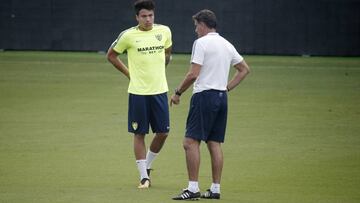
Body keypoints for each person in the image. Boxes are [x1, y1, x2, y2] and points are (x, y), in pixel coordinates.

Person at [170, 9, 250, 200]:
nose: (195, 30)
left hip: (204, 97)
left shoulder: (201, 43)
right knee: (214, 143)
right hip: (221, 98)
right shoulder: (227, 44)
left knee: (190, 142)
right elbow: (244, 70)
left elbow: (193, 74)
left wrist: (177, 92)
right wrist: (226, 88)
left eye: (196, 26)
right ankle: (215, 189)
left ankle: (193, 188)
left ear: (203, 25)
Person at [106, 0, 172, 189]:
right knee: (139, 133)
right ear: (137, 17)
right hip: (138, 93)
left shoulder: (164, 31)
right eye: (144, 16)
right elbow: (111, 55)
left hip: (160, 91)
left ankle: (148, 166)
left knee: (163, 132)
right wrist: (129, 74)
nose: (148, 19)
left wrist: (160, 68)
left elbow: (167, 53)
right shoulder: (128, 35)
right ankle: (144, 177)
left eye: (150, 15)